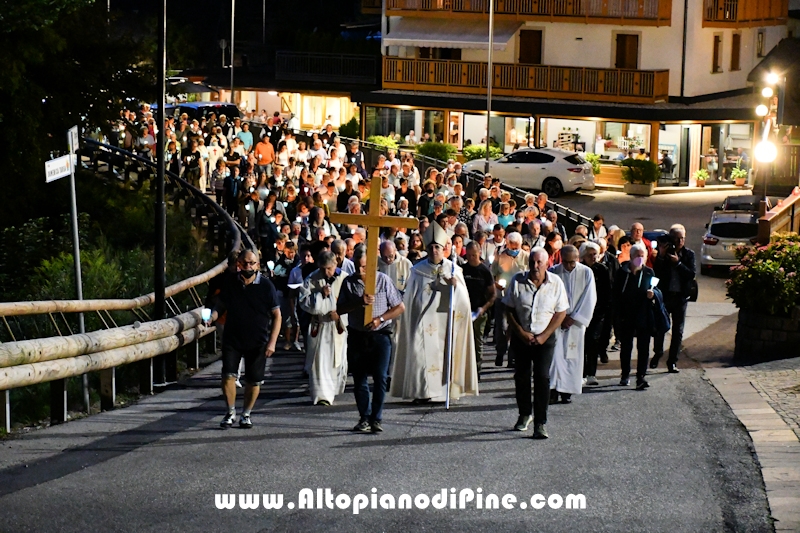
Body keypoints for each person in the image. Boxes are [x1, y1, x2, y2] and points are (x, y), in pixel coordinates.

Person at [391, 222, 479, 402]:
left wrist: (455, 287)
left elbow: (463, 301)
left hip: (445, 322)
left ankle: (441, 392)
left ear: (443, 248)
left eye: (437, 247)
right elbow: (410, 297)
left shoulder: (453, 269)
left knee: (443, 356)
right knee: (419, 355)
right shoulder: (417, 270)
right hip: (423, 321)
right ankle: (422, 392)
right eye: (430, 247)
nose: (434, 251)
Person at [206, 250, 281, 429]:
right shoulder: (231, 282)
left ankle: (246, 413)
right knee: (228, 375)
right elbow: (221, 304)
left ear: (257, 264)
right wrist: (212, 317)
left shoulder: (266, 285)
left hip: (258, 339)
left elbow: (277, 315)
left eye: (252, 263)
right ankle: (230, 412)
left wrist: (272, 342)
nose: (248, 267)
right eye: (245, 263)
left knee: (253, 380)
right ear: (239, 263)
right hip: (233, 337)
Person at [337, 246, 405, 433]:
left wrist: (380, 319)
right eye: (358, 266)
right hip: (358, 335)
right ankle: (364, 417)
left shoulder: (383, 281)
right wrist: (359, 302)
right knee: (359, 378)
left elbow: (399, 307)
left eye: (365, 267)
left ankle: (377, 418)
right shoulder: (349, 283)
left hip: (380, 334)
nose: (361, 270)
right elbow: (339, 309)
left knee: (380, 377)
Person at [504, 247, 569, 439]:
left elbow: (561, 312)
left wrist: (544, 335)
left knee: (542, 378)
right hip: (522, 337)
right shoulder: (517, 280)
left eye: (539, 262)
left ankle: (541, 422)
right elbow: (508, 308)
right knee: (522, 377)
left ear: (547, 263)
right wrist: (521, 332)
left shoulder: (555, 283)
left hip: (545, 338)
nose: (535, 266)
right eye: (532, 262)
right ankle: (525, 414)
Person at [547, 245, 597, 404]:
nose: (570, 266)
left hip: (575, 324)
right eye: (567, 262)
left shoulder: (586, 272)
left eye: (573, 262)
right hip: (557, 321)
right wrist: (560, 316)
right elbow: (548, 296)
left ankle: (567, 390)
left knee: (572, 357)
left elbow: (589, 297)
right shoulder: (553, 272)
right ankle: (553, 389)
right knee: (555, 357)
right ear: (561, 259)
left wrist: (573, 317)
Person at [298, 251, 348, 406]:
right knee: (319, 362)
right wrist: (320, 295)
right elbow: (304, 301)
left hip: (337, 325)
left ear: (335, 265)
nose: (326, 272)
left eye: (329, 268)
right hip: (319, 326)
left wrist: (339, 314)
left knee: (335, 359)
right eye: (323, 269)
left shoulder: (344, 278)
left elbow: (351, 300)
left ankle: (331, 390)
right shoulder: (312, 278)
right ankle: (322, 396)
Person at [650, 224, 695, 373]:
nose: (680, 241)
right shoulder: (664, 253)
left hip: (680, 297)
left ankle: (672, 361)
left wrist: (678, 264)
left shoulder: (689, 254)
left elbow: (691, 274)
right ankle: (658, 353)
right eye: (677, 238)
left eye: (682, 238)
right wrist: (662, 256)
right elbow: (656, 273)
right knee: (660, 327)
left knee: (678, 331)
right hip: (665, 296)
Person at [613, 244, 656, 390]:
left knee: (643, 348)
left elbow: (655, 291)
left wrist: (652, 295)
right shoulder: (622, 273)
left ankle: (641, 377)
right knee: (626, 347)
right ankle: (625, 374)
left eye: (642, 255)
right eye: (637, 255)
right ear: (631, 257)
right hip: (626, 315)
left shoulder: (649, 272)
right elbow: (616, 293)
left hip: (643, 315)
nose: (640, 258)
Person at [490, 232, 529, 368]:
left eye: (517, 246)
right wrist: (497, 283)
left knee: (516, 328)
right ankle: (500, 351)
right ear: (507, 244)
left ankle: (513, 357)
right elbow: (492, 273)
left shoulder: (526, 257)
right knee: (502, 326)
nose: (514, 249)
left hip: (519, 298)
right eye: (512, 246)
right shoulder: (500, 257)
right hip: (502, 296)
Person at [462, 242, 495, 377]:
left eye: (474, 255)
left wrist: (484, 308)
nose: (471, 258)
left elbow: (493, 295)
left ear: (479, 254)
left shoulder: (485, 271)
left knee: (477, 341)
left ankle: (476, 369)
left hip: (479, 312)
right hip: (463, 311)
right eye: (468, 255)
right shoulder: (462, 269)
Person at [580, 242, 610, 386]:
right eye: (590, 255)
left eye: (595, 255)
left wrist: (602, 310)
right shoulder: (579, 269)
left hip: (597, 313)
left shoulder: (602, 270)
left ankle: (591, 373)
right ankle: (580, 372)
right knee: (581, 343)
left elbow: (606, 292)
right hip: (580, 312)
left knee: (593, 341)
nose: (593, 257)